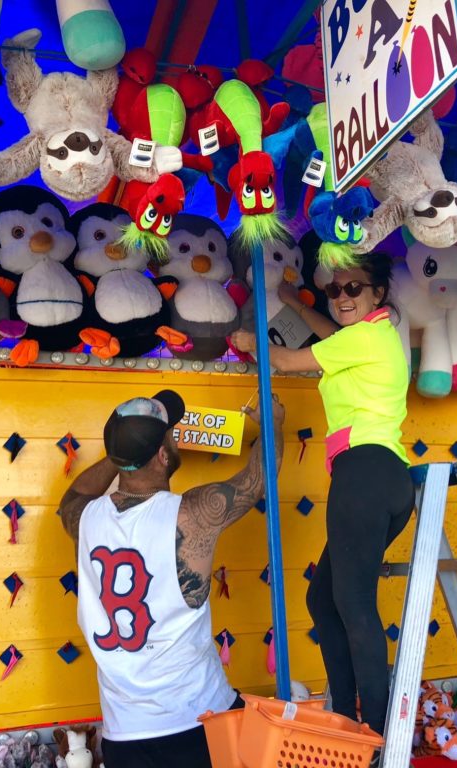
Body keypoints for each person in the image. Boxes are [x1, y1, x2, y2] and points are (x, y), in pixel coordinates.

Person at [230, 251, 414, 738]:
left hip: (364, 474)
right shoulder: (370, 337)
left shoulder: (368, 335)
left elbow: (289, 360)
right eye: (335, 290)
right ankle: (348, 717)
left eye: (353, 288)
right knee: (324, 600)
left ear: (378, 294)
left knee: (353, 605)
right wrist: (295, 301)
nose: (342, 297)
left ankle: (373, 732)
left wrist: (248, 339)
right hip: (382, 478)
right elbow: (333, 336)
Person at [57, 388, 285, 768]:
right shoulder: (191, 513)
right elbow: (257, 481)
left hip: (123, 736)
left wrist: (124, 456)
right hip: (199, 723)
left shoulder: (84, 518)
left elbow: (73, 496)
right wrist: (273, 422)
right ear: (163, 456)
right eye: (170, 436)